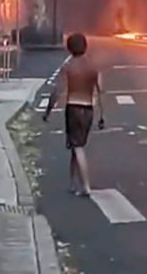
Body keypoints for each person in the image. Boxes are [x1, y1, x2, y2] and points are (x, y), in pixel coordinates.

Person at [43, 32, 105, 196]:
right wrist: (102, 116)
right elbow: (100, 91)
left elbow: (57, 91)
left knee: (77, 147)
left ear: (69, 48)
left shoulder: (68, 66)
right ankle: (72, 183)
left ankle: (86, 186)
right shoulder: (93, 66)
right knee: (75, 145)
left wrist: (48, 111)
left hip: (74, 108)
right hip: (88, 110)